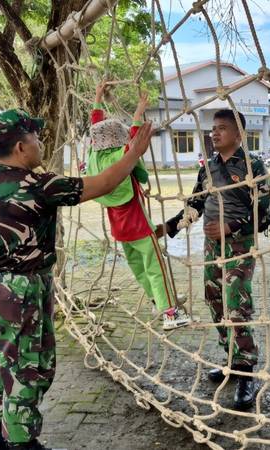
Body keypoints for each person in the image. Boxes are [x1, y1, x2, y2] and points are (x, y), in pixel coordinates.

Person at [0, 109, 154, 450]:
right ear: (22, 147)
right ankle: (22, 443)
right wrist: (133, 153)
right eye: (36, 139)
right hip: (22, 289)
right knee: (28, 365)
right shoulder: (40, 184)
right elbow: (103, 184)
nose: (40, 144)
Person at [156, 109, 270, 411]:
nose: (214, 133)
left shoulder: (253, 166)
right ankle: (231, 360)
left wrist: (229, 227)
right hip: (211, 248)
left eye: (221, 128)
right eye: (212, 129)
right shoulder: (207, 168)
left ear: (238, 134)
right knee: (214, 300)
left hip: (239, 248)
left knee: (236, 303)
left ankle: (247, 371)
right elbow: (194, 204)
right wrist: (168, 227)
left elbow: (262, 215)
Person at [88, 84, 189, 330]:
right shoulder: (123, 156)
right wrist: (138, 114)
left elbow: (97, 125)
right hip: (140, 226)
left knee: (139, 269)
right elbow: (134, 142)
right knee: (157, 268)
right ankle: (170, 313)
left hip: (120, 231)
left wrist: (98, 98)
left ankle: (158, 301)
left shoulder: (95, 158)